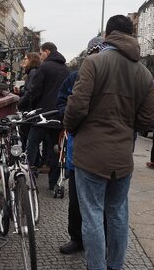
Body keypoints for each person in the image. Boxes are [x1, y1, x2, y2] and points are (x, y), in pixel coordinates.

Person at [64, 15, 154, 270]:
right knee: (117, 212)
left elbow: (77, 106)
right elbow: (148, 119)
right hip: (122, 156)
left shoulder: (93, 63)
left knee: (92, 212)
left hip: (91, 154)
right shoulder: (144, 73)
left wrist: (73, 129)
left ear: (109, 33)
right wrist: (127, 126)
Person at [57, 36, 106, 255]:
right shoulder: (75, 77)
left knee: (102, 204)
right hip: (79, 149)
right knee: (76, 200)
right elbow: (61, 104)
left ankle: (98, 243)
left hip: (104, 151)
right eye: (94, 53)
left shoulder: (112, 78)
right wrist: (69, 118)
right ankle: (77, 238)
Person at [19, 42, 70, 191]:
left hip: (41, 115)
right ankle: (53, 183)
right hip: (57, 116)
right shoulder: (66, 70)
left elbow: (35, 91)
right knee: (55, 150)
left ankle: (29, 177)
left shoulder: (44, 67)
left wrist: (28, 106)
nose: (40, 57)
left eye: (41, 53)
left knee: (32, 144)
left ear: (47, 52)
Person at [17, 52, 41, 151]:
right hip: (30, 109)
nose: (24, 61)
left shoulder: (32, 72)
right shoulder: (34, 72)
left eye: (26, 59)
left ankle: (29, 161)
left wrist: (20, 103)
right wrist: (21, 92)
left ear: (32, 61)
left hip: (29, 110)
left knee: (25, 136)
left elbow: (30, 91)